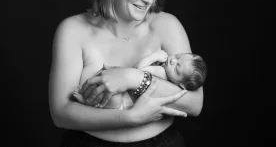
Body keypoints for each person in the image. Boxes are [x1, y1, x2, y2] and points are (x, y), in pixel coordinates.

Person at [48, 0, 204, 147]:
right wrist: (131, 118)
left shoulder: (167, 25)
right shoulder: (73, 30)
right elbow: (61, 114)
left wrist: (135, 78)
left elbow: (194, 104)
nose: (149, 0)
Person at [73, 50, 207, 109]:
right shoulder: (170, 82)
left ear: (181, 85)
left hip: (124, 103)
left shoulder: (161, 72)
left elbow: (138, 69)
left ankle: (86, 101)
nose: (172, 60)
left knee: (111, 96)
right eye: (178, 56)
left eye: (177, 68)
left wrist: (153, 56)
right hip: (129, 99)